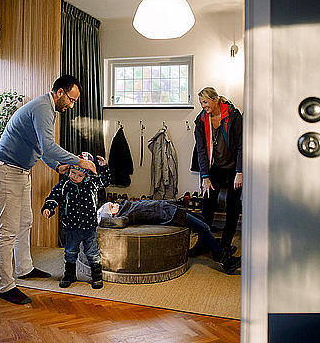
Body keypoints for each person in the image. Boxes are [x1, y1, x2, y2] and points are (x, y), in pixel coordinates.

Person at [0, 75, 97, 305]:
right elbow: (49, 146)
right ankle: (5, 286)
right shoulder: (42, 108)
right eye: (71, 99)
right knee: (7, 230)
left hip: (21, 171)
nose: (71, 105)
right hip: (6, 170)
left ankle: (25, 268)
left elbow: (41, 148)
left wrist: (58, 166)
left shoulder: (49, 110)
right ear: (60, 93)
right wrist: (79, 161)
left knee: (25, 222)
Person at [97, 199, 240, 275]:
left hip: (170, 208)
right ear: (113, 215)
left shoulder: (127, 206)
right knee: (204, 227)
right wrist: (100, 219)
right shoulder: (125, 215)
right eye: (111, 206)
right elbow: (116, 223)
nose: (114, 203)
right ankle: (224, 260)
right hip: (170, 214)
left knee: (203, 220)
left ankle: (203, 248)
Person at [192, 87, 242, 271]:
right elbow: (201, 151)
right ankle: (202, 242)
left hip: (233, 168)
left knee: (232, 206)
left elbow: (241, 145)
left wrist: (240, 171)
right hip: (214, 168)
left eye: (205, 102)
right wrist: (205, 176)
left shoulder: (233, 116)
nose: (203, 106)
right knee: (207, 204)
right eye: (201, 103)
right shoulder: (201, 120)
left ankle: (226, 245)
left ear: (215, 100)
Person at [42, 153, 110, 289]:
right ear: (69, 170)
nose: (75, 177)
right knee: (70, 252)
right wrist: (48, 208)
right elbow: (53, 197)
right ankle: (70, 275)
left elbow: (105, 181)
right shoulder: (64, 184)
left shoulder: (92, 184)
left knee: (92, 252)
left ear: (86, 175)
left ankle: (96, 276)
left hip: (89, 227)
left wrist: (103, 167)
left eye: (80, 175)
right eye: (73, 173)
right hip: (70, 227)